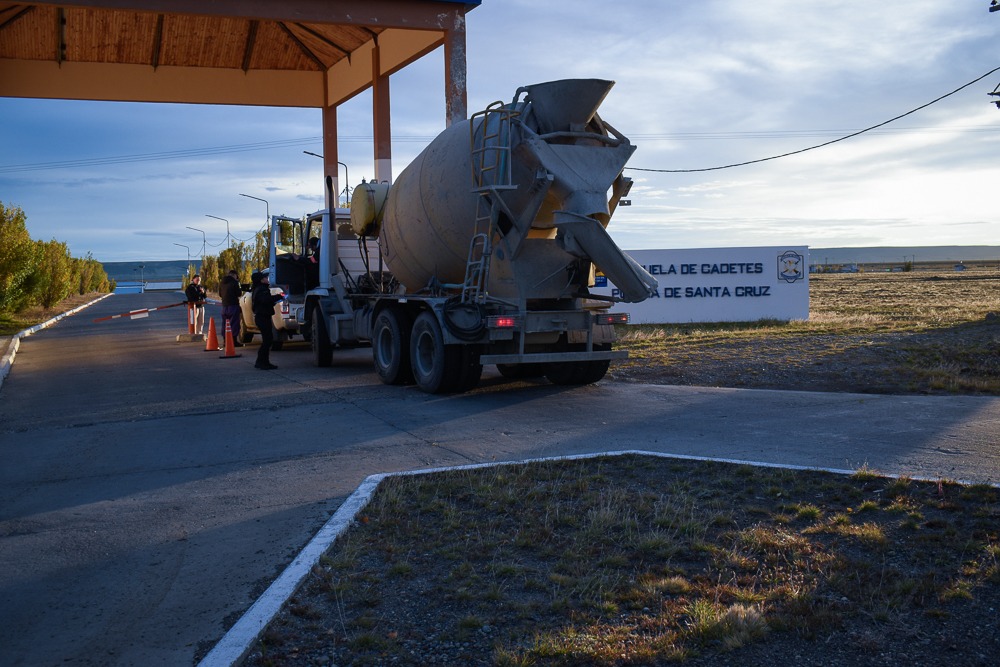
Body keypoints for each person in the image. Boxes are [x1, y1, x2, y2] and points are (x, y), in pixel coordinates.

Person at [251, 271, 284, 370]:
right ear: (261, 280)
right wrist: (278, 296)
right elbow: (266, 300)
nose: (267, 279)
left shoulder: (258, 289)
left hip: (262, 316)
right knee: (267, 341)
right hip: (263, 317)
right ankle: (261, 362)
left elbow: (265, 302)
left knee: (267, 340)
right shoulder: (262, 289)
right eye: (265, 278)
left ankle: (263, 361)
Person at [218, 269, 243, 346]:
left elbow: (220, 294)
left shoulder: (222, 283)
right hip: (233, 305)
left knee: (225, 324)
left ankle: (225, 341)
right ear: (234, 275)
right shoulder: (235, 283)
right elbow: (239, 293)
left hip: (224, 306)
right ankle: (234, 341)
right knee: (234, 324)